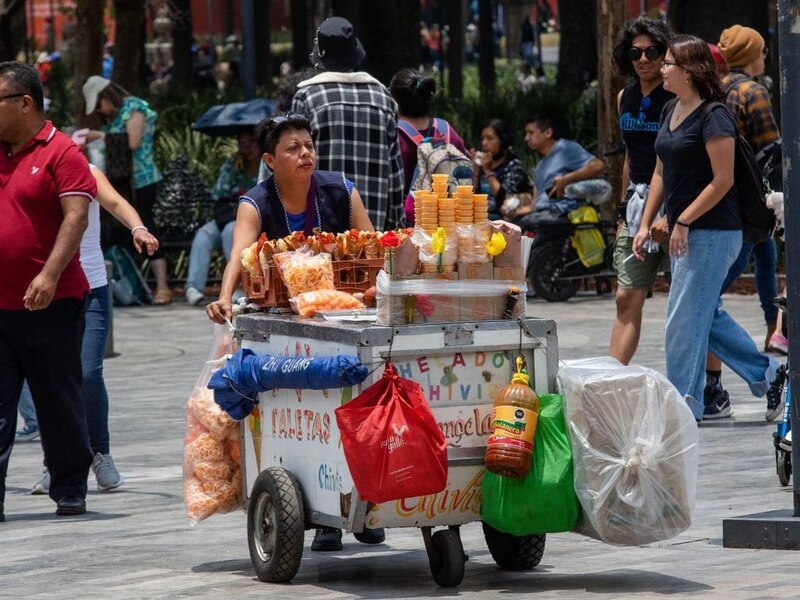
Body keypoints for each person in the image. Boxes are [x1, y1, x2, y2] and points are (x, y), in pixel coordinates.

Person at [206, 113, 378, 552]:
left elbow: (374, 247)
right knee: (315, 415)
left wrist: (379, 287)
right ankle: (327, 517)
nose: (305, 153)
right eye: (292, 148)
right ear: (269, 159)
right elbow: (240, 254)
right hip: (288, 327)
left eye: (308, 145)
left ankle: (367, 499)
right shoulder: (256, 201)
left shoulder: (341, 189)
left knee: (358, 401)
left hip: (345, 316)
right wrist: (225, 295)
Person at [631, 35, 779, 422]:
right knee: (701, 316)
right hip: (687, 232)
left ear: (689, 71)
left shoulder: (715, 115)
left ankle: (681, 408)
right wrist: (646, 222)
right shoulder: (670, 110)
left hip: (714, 232)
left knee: (683, 319)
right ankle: (773, 378)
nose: (660, 69)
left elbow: (723, 180)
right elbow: (661, 170)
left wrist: (682, 219)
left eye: (667, 63)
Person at [0, 61, 96, 520]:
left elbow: (76, 217)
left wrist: (50, 273)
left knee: (57, 398)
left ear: (24, 103)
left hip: (51, 302)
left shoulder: (63, 153)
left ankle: (70, 487)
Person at [26, 164, 159, 494]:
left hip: (92, 288)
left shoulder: (80, 168)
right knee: (52, 378)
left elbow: (115, 203)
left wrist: (138, 228)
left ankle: (100, 454)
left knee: (87, 372)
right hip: (46, 288)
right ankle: (56, 463)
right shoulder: (23, 172)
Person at [704, 26, 783, 418]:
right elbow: (769, 150)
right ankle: (761, 371)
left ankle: (775, 327)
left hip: (728, 205)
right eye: (763, 50)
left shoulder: (716, 88)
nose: (766, 55)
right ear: (752, 54)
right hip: (748, 205)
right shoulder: (753, 91)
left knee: (767, 257)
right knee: (706, 300)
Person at [291, 16, 405, 231]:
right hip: (371, 234)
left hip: (318, 233)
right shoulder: (383, 98)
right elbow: (395, 174)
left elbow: (290, 166)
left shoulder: (307, 97)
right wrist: (394, 228)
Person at [607, 17, 675, 365]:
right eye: (636, 52)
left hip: (676, 203)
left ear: (666, 53)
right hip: (637, 205)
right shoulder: (625, 96)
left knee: (689, 303)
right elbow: (630, 158)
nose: (644, 59)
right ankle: (610, 377)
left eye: (653, 51)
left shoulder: (678, 93)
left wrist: (668, 214)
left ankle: (712, 386)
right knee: (626, 295)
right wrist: (623, 211)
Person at [81, 76, 170, 304]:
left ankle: (162, 286)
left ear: (107, 95)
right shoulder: (114, 117)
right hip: (122, 181)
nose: (100, 109)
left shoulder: (134, 107)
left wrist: (99, 136)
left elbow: (133, 141)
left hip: (143, 179)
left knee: (147, 226)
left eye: (99, 104)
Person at [185, 130, 260, 306]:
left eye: (251, 144)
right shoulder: (232, 163)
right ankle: (193, 287)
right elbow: (218, 192)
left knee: (230, 233)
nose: (246, 148)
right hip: (225, 215)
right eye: (242, 144)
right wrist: (233, 170)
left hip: (248, 220)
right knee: (203, 235)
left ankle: (240, 286)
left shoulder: (266, 165)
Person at [388, 68, 468, 224]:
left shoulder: (394, 136)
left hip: (410, 229)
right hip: (449, 227)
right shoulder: (448, 131)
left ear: (395, 102)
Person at [521, 114, 606, 219]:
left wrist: (567, 179)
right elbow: (536, 202)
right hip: (541, 214)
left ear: (548, 132)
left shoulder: (565, 149)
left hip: (561, 213)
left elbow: (598, 165)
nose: (526, 138)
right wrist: (516, 211)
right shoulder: (540, 166)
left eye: (531, 133)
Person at [469, 118, 532, 221]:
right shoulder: (484, 163)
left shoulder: (514, 166)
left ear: (502, 140)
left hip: (503, 219)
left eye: (490, 138)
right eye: (483, 138)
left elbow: (506, 200)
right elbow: (473, 196)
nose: (484, 143)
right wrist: (476, 169)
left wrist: (488, 171)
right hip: (483, 215)